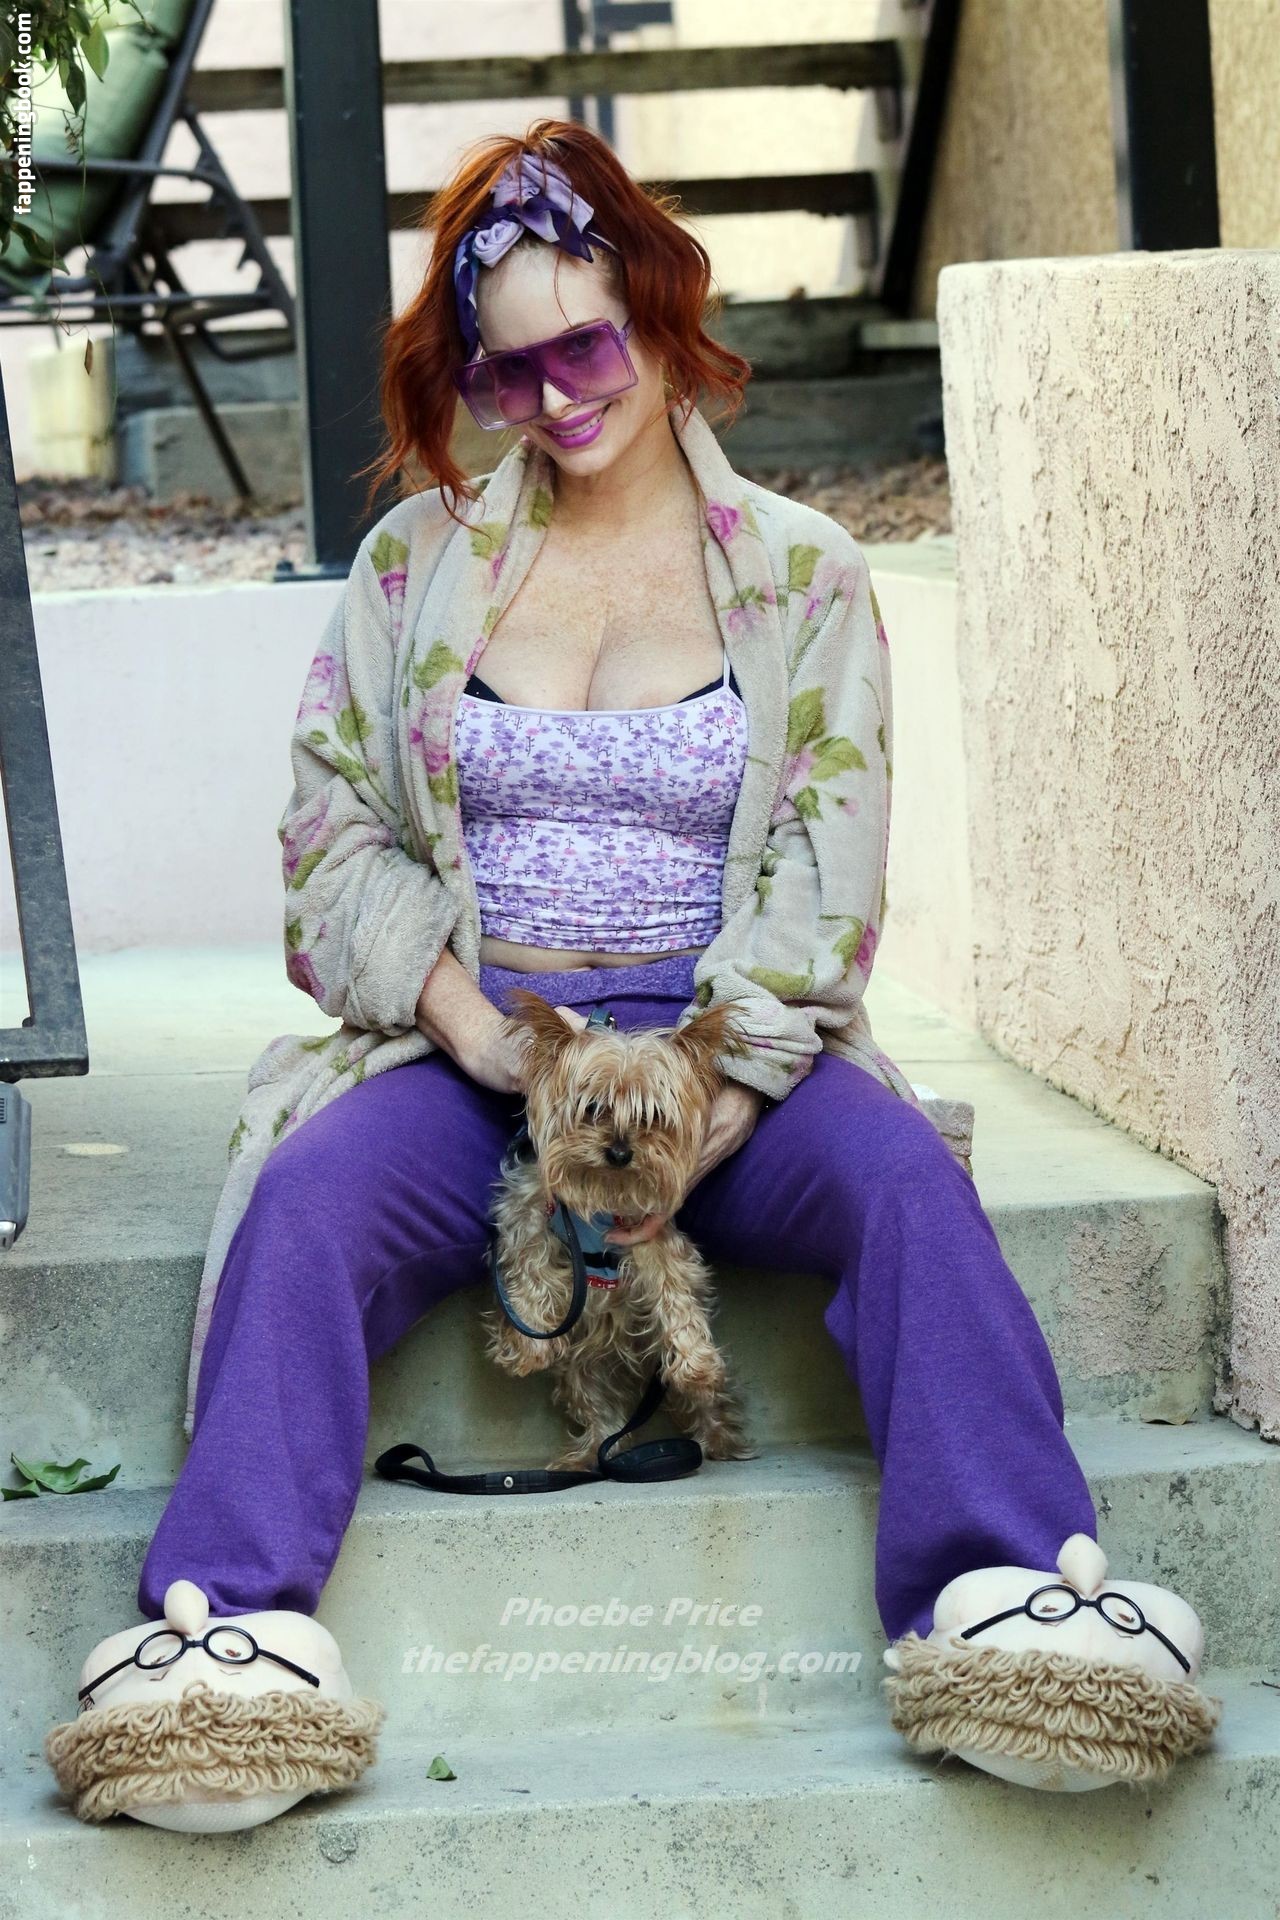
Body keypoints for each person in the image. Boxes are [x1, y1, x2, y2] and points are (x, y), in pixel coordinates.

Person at [45, 121, 1218, 1831]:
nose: (553, 399)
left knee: (906, 1186)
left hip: (734, 1053)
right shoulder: (414, 567)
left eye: (585, 348)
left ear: (663, 316)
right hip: (488, 1047)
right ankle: (220, 1637)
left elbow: (828, 868)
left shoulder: (804, 576)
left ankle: (1019, 1601)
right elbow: (330, 845)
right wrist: (481, 1040)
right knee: (304, 1205)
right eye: (506, 371)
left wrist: (702, 1110)